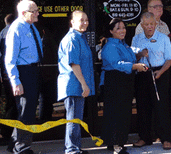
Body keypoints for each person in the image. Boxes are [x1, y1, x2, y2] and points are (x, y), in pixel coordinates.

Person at [101, 18, 148, 154]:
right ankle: (117, 145)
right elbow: (117, 64)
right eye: (118, 28)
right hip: (115, 82)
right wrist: (136, 66)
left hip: (124, 82)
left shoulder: (123, 44)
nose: (122, 31)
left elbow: (130, 58)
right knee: (117, 114)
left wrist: (139, 56)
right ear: (111, 31)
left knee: (123, 112)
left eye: (123, 27)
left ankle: (114, 141)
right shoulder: (110, 46)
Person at [131, 11, 171, 150]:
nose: (150, 26)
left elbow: (170, 59)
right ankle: (144, 137)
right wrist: (140, 54)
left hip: (159, 72)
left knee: (161, 107)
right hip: (142, 73)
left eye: (152, 24)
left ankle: (166, 138)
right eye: (147, 24)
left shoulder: (163, 38)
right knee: (143, 106)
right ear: (142, 25)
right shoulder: (136, 39)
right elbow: (132, 58)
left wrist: (161, 72)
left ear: (156, 24)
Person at [5, 0, 43, 154]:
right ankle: (22, 148)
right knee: (26, 111)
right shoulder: (16, 29)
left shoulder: (31, 26)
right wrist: (16, 81)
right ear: (23, 13)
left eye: (36, 10)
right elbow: (10, 59)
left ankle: (14, 144)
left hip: (33, 71)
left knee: (28, 110)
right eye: (34, 11)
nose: (37, 13)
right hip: (24, 72)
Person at [57, 10, 95, 154]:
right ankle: (72, 150)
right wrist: (84, 84)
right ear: (72, 22)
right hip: (74, 85)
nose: (84, 23)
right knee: (73, 120)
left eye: (86, 20)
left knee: (77, 119)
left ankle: (76, 148)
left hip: (78, 85)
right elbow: (74, 64)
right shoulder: (72, 39)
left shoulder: (80, 37)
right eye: (81, 20)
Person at [0, 13, 18, 142]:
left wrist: (1, 74)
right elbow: (3, 56)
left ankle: (7, 130)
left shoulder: (2, 33)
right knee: (14, 104)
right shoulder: (10, 33)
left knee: (11, 103)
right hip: (10, 74)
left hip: (5, 74)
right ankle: (7, 131)